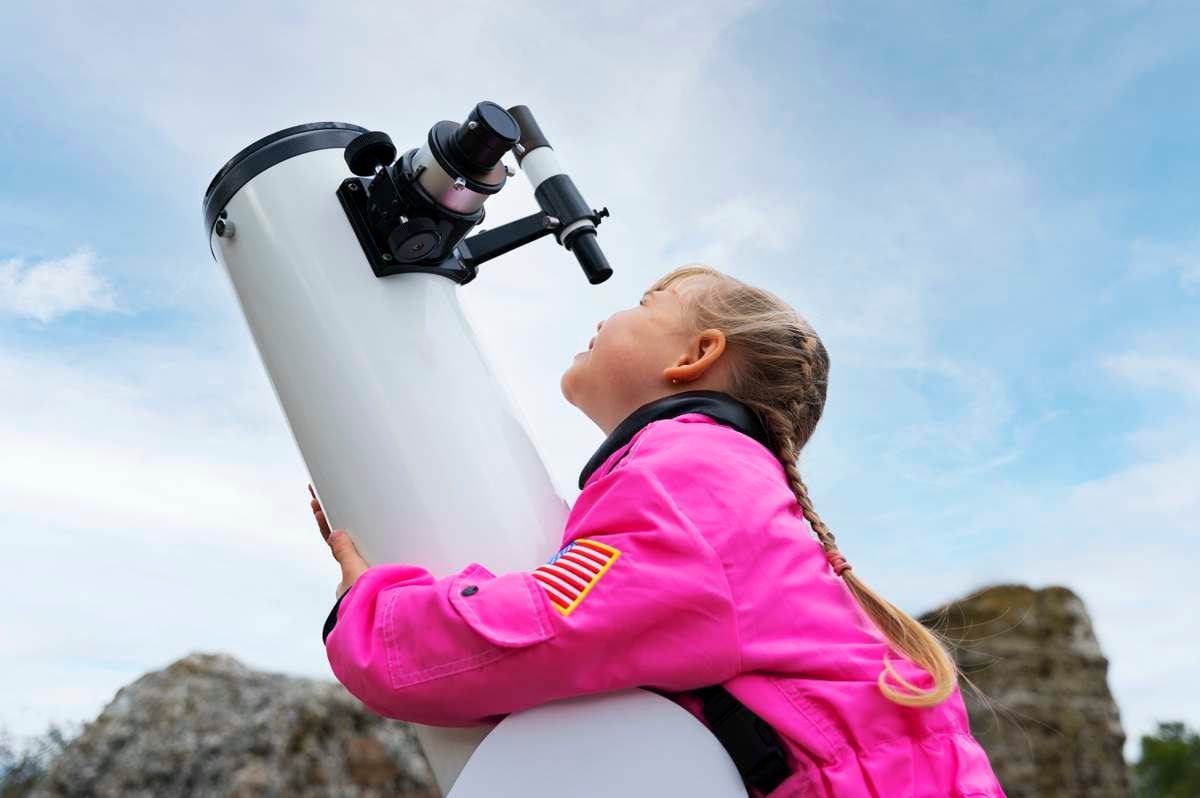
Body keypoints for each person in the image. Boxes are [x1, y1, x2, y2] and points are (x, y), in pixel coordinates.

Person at [314, 264, 1006, 797]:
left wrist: (373, 614)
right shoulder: (723, 485)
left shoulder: (695, 481)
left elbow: (547, 631)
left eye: (645, 305)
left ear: (696, 354)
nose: (609, 315)